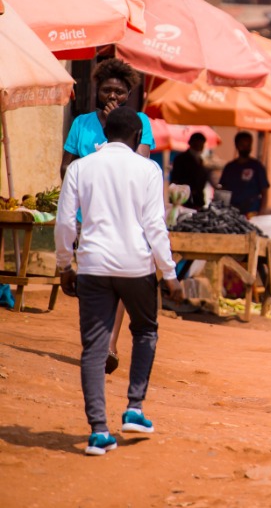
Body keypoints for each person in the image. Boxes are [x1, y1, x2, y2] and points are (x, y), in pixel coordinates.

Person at [54, 108, 183, 456]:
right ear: (138, 136)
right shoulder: (148, 169)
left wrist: (65, 265)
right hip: (136, 265)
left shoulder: (80, 167)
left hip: (93, 265)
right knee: (144, 331)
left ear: (105, 133)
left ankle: (98, 431)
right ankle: (134, 409)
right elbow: (155, 225)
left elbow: (65, 222)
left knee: (94, 348)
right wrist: (169, 273)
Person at [61, 58, 157, 377]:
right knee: (94, 279)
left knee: (118, 280)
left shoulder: (140, 121)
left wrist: (116, 128)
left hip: (125, 213)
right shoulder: (81, 124)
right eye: (105, 90)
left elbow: (139, 163)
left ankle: (109, 345)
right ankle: (99, 341)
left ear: (128, 94)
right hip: (86, 214)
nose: (111, 96)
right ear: (96, 92)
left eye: (118, 91)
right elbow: (67, 166)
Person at [218, 131, 269, 216]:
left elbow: (265, 190)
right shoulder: (230, 167)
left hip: (252, 212)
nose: (245, 148)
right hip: (232, 212)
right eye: (243, 145)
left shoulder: (257, 167)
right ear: (236, 145)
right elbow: (223, 189)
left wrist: (262, 211)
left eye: (248, 145)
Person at [169, 132, 210, 209]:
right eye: (197, 144)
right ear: (191, 143)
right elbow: (176, 180)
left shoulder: (200, 160)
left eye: (201, 145)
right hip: (184, 201)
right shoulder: (180, 159)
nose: (199, 147)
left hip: (198, 201)